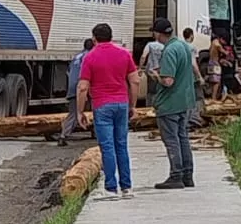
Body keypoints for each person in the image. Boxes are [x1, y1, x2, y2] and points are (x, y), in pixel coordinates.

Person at [77, 22, 138, 198]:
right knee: (122, 145)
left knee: (107, 147)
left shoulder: (90, 57)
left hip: (102, 105)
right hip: (121, 104)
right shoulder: (124, 54)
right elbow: (134, 81)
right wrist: (132, 105)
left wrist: (80, 111)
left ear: (94, 38)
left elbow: (82, 87)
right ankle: (127, 187)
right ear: (111, 37)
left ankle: (111, 187)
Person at [150, 19, 196, 190]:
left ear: (158, 33)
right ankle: (187, 175)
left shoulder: (169, 50)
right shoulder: (183, 46)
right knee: (183, 138)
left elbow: (168, 81)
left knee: (171, 140)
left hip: (170, 103)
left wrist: (155, 75)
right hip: (184, 101)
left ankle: (175, 175)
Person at [58, 37, 94, 146]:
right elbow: (89, 73)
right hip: (83, 85)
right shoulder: (90, 56)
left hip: (72, 86)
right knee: (97, 110)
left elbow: (69, 72)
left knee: (73, 112)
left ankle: (63, 135)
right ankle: (97, 133)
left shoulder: (77, 57)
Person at [138, 33, 165, 106]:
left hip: (151, 72)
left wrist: (140, 68)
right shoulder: (164, 46)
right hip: (161, 72)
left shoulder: (150, 45)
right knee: (160, 92)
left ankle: (150, 109)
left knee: (150, 93)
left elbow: (143, 56)